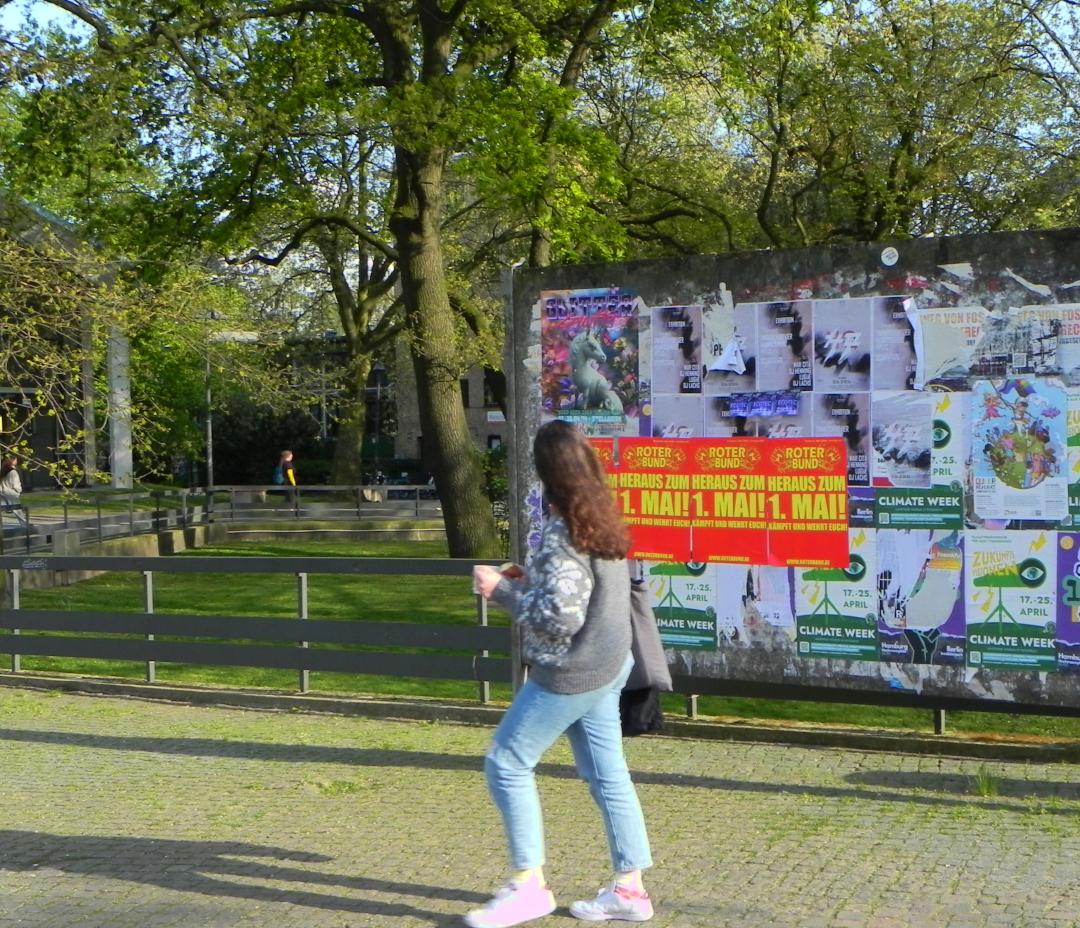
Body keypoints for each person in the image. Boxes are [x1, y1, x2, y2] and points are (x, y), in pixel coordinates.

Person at [467, 420, 653, 928]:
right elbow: (582, 590)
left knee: (506, 761)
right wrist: (535, 577)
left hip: (570, 674)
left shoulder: (562, 530)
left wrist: (498, 590)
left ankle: (528, 886)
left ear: (546, 471)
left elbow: (560, 618)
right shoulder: (600, 517)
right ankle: (629, 891)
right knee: (608, 775)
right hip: (611, 663)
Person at [0, 455, 26, 523]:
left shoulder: (3, 471)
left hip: (2, 492)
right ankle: (25, 525)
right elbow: (15, 485)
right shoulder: (13, 472)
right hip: (10, 493)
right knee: (18, 510)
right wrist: (18, 491)